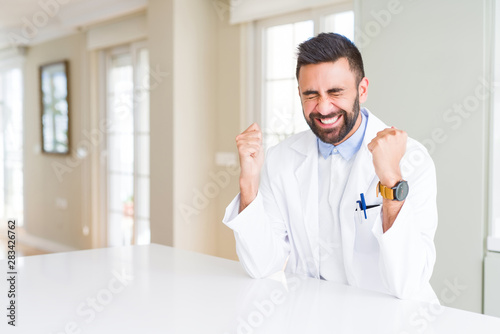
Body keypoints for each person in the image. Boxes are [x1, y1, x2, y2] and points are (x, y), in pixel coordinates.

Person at [222, 33, 438, 302]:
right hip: (315, 315)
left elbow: (408, 282)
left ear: (362, 90)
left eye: (336, 92)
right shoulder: (282, 159)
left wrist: (391, 180)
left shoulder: (411, 159)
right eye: (311, 95)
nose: (323, 107)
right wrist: (249, 184)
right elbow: (262, 265)